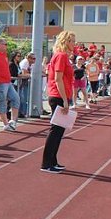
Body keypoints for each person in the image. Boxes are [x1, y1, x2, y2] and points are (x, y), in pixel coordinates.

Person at [40, 31, 76, 174]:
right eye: (72, 41)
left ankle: (52, 161)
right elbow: (58, 79)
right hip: (58, 96)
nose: (74, 43)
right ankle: (46, 163)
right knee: (55, 131)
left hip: (61, 95)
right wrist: (65, 101)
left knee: (59, 131)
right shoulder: (61, 56)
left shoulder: (63, 56)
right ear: (65, 42)